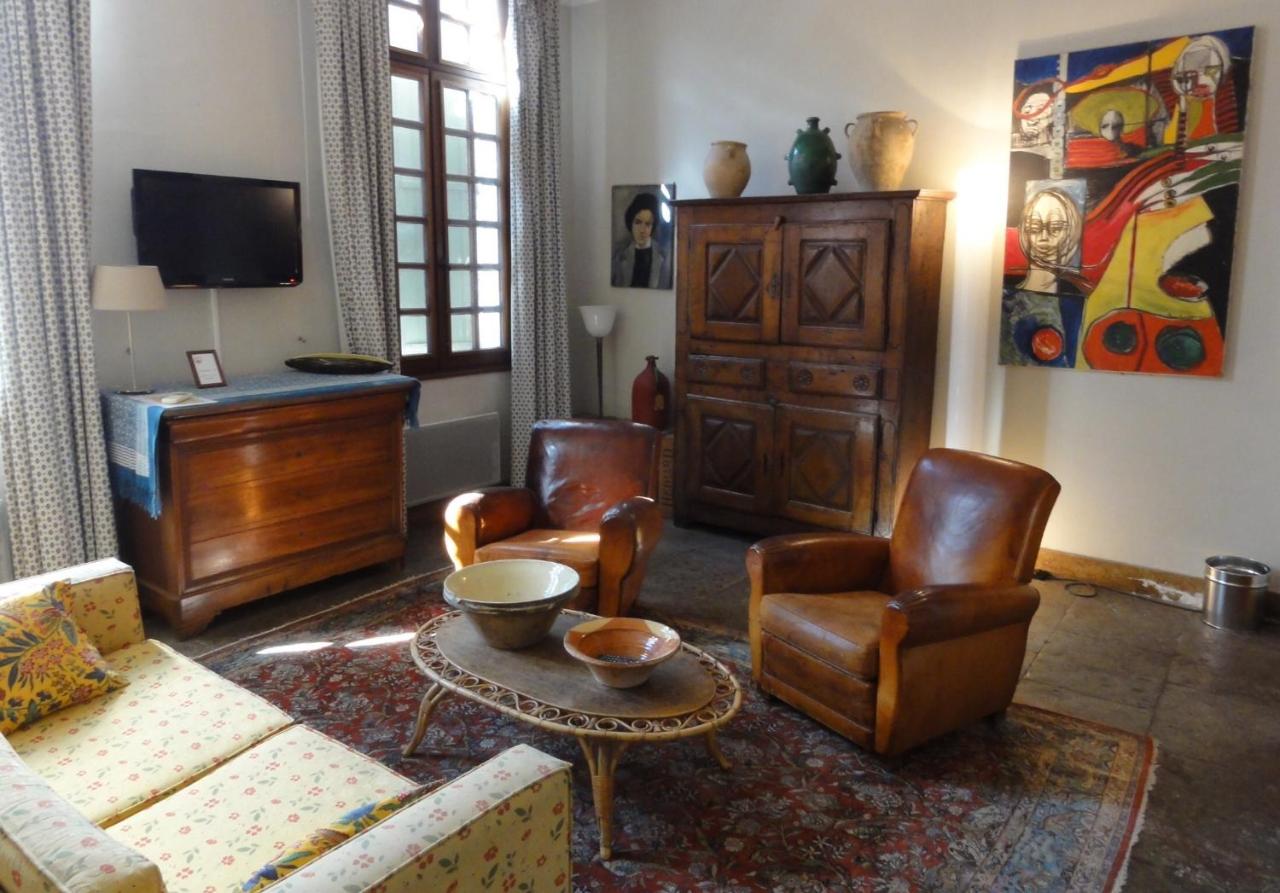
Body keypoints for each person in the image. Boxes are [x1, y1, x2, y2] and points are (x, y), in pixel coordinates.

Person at [611, 192, 672, 289]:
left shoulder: (663, 256)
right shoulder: (619, 255)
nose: (642, 230)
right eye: (638, 222)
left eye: (647, 224)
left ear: (653, 226)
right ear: (631, 223)